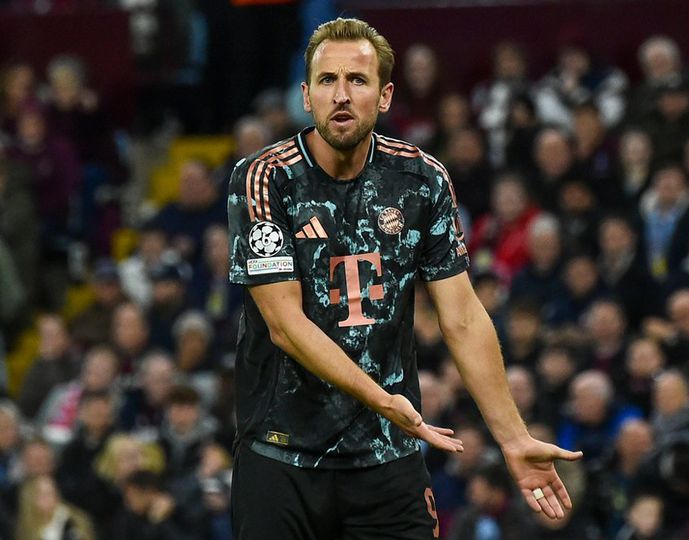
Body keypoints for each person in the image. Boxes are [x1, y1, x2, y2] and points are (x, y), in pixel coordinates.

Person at [227, 17, 582, 540]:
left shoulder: (422, 179)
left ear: (385, 95)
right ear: (306, 95)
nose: (341, 95)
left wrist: (512, 437)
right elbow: (285, 325)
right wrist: (383, 400)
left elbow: (462, 317)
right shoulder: (264, 177)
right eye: (327, 81)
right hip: (281, 457)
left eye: (357, 80)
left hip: (387, 459)